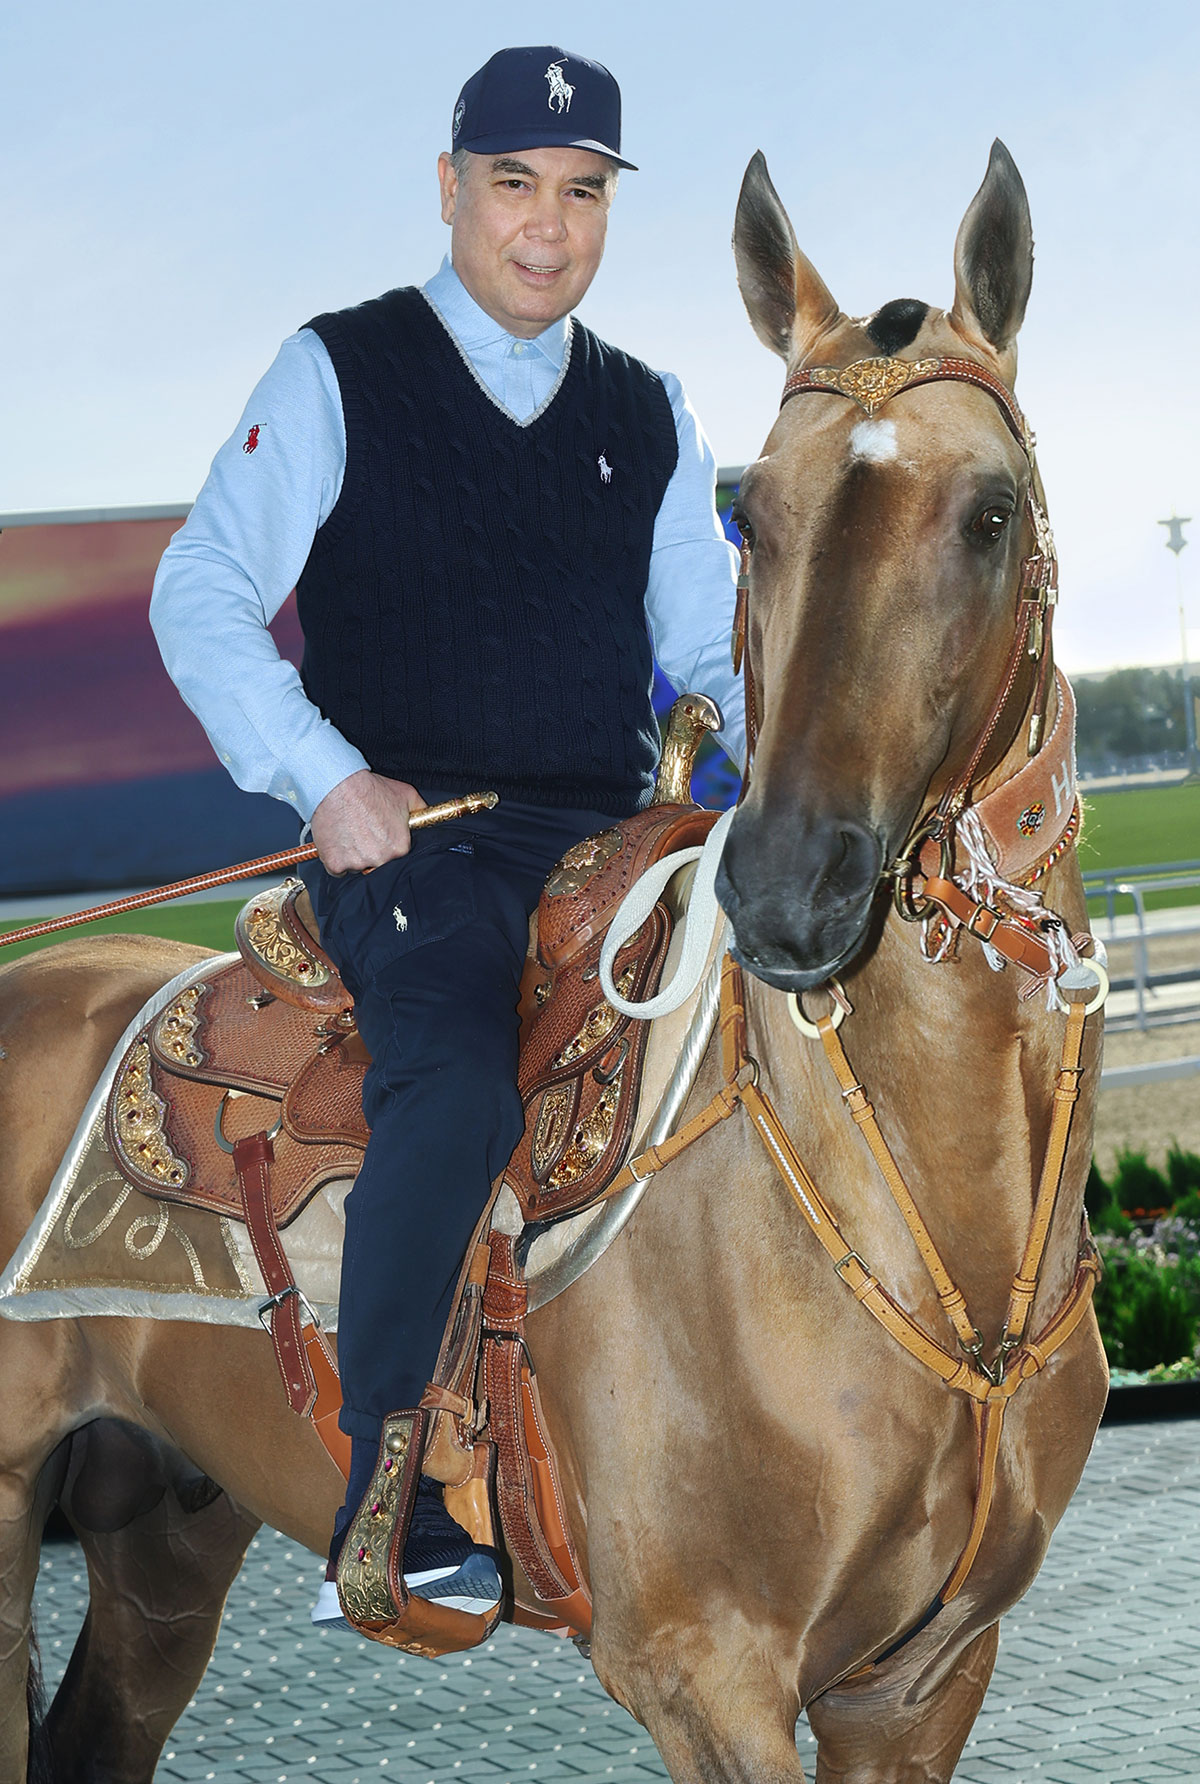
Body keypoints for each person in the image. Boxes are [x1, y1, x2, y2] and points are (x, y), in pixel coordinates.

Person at [150, 44, 744, 1630]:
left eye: (582, 192)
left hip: (608, 838)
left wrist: (782, 749)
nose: (546, 227)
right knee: (465, 1086)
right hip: (415, 844)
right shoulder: (339, 369)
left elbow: (710, 650)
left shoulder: (650, 408)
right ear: (450, 188)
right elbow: (197, 592)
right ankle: (387, 1483)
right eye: (513, 185)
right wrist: (321, 777)